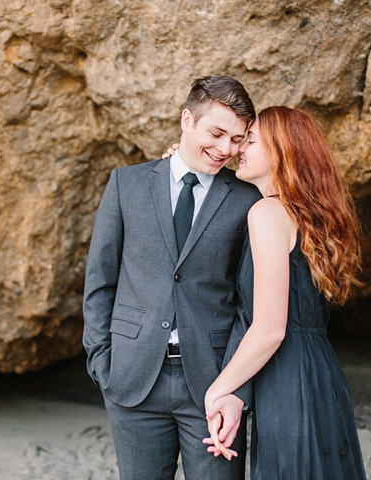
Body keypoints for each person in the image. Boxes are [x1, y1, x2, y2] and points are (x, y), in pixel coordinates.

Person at [82, 75, 261, 480]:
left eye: (237, 139)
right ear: (187, 120)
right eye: (216, 133)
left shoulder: (247, 199)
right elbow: (100, 281)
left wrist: (235, 390)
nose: (225, 149)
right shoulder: (126, 184)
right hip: (131, 380)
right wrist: (102, 362)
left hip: (213, 385)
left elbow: (249, 305)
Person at [202, 106, 367, 479]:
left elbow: (270, 329)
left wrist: (218, 390)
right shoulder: (312, 216)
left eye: (251, 140)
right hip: (322, 375)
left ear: (280, 151)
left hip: (288, 382)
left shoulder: (267, 213)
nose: (239, 148)